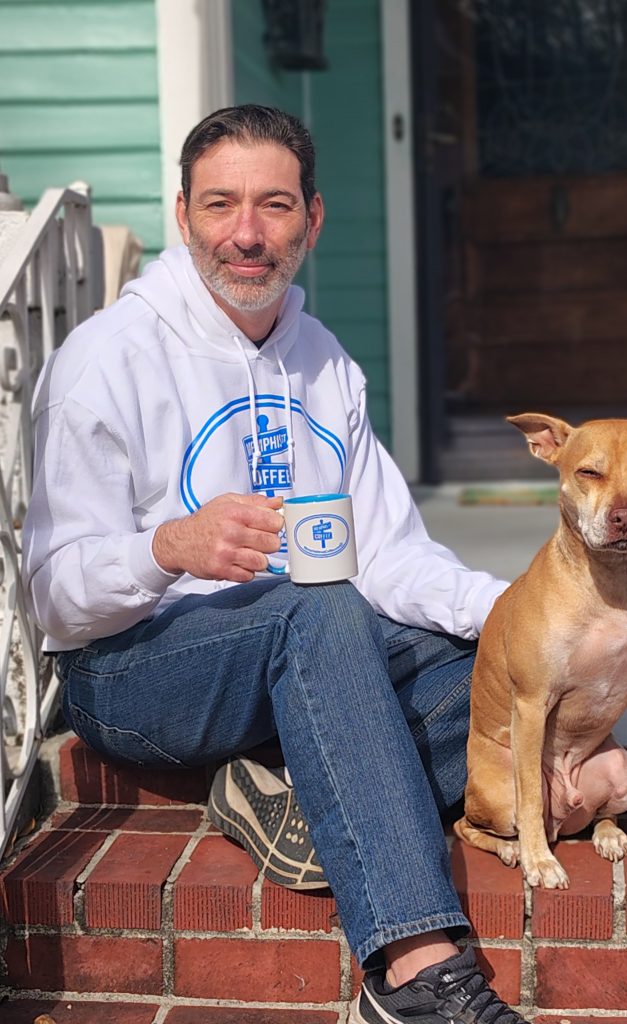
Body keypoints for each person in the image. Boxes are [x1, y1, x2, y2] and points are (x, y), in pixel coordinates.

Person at [22, 105, 529, 1024]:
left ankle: (287, 783)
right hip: (132, 672)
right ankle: (413, 971)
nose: (247, 234)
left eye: (275, 205)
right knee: (316, 605)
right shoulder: (103, 361)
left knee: (495, 665)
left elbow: (390, 553)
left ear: (313, 218)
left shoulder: (324, 363)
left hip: (300, 652)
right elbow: (56, 601)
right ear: (183, 215)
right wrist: (165, 549)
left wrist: (516, 615)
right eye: (221, 204)